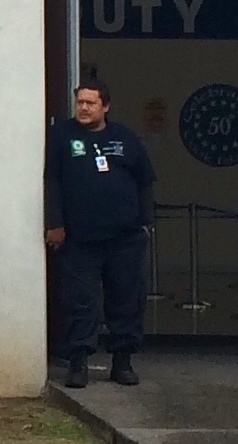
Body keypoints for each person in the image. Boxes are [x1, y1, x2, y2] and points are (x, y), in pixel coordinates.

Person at [44, 82, 155, 388]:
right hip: (79, 238)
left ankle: (123, 362)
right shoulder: (61, 136)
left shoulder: (124, 138)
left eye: (90, 103)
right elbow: (52, 181)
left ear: (105, 107)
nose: (83, 108)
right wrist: (55, 223)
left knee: (126, 299)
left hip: (125, 237)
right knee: (80, 301)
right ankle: (78, 363)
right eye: (80, 102)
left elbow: (145, 180)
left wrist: (146, 221)